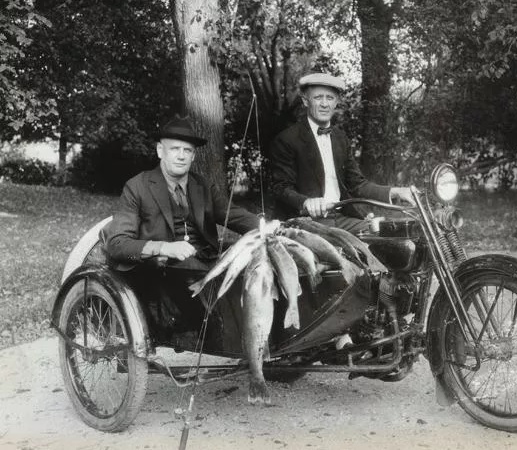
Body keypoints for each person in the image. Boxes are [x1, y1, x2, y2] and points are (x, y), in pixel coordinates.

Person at [104, 115, 260, 345]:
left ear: (194, 156)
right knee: (191, 269)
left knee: (253, 258)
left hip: (205, 259)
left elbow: (233, 215)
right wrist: (164, 247)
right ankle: (218, 333)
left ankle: (255, 333)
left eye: (187, 150)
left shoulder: (203, 185)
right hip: (162, 270)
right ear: (160, 151)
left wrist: (270, 227)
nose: (181, 155)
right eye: (174, 149)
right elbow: (117, 244)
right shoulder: (137, 187)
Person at [270, 72, 414, 234]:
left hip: (342, 218)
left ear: (336, 102)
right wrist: (306, 202)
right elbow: (281, 188)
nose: (324, 104)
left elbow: (358, 184)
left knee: (389, 237)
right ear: (305, 101)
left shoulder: (340, 138)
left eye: (330, 98)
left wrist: (396, 191)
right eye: (318, 98)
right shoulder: (287, 139)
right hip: (306, 223)